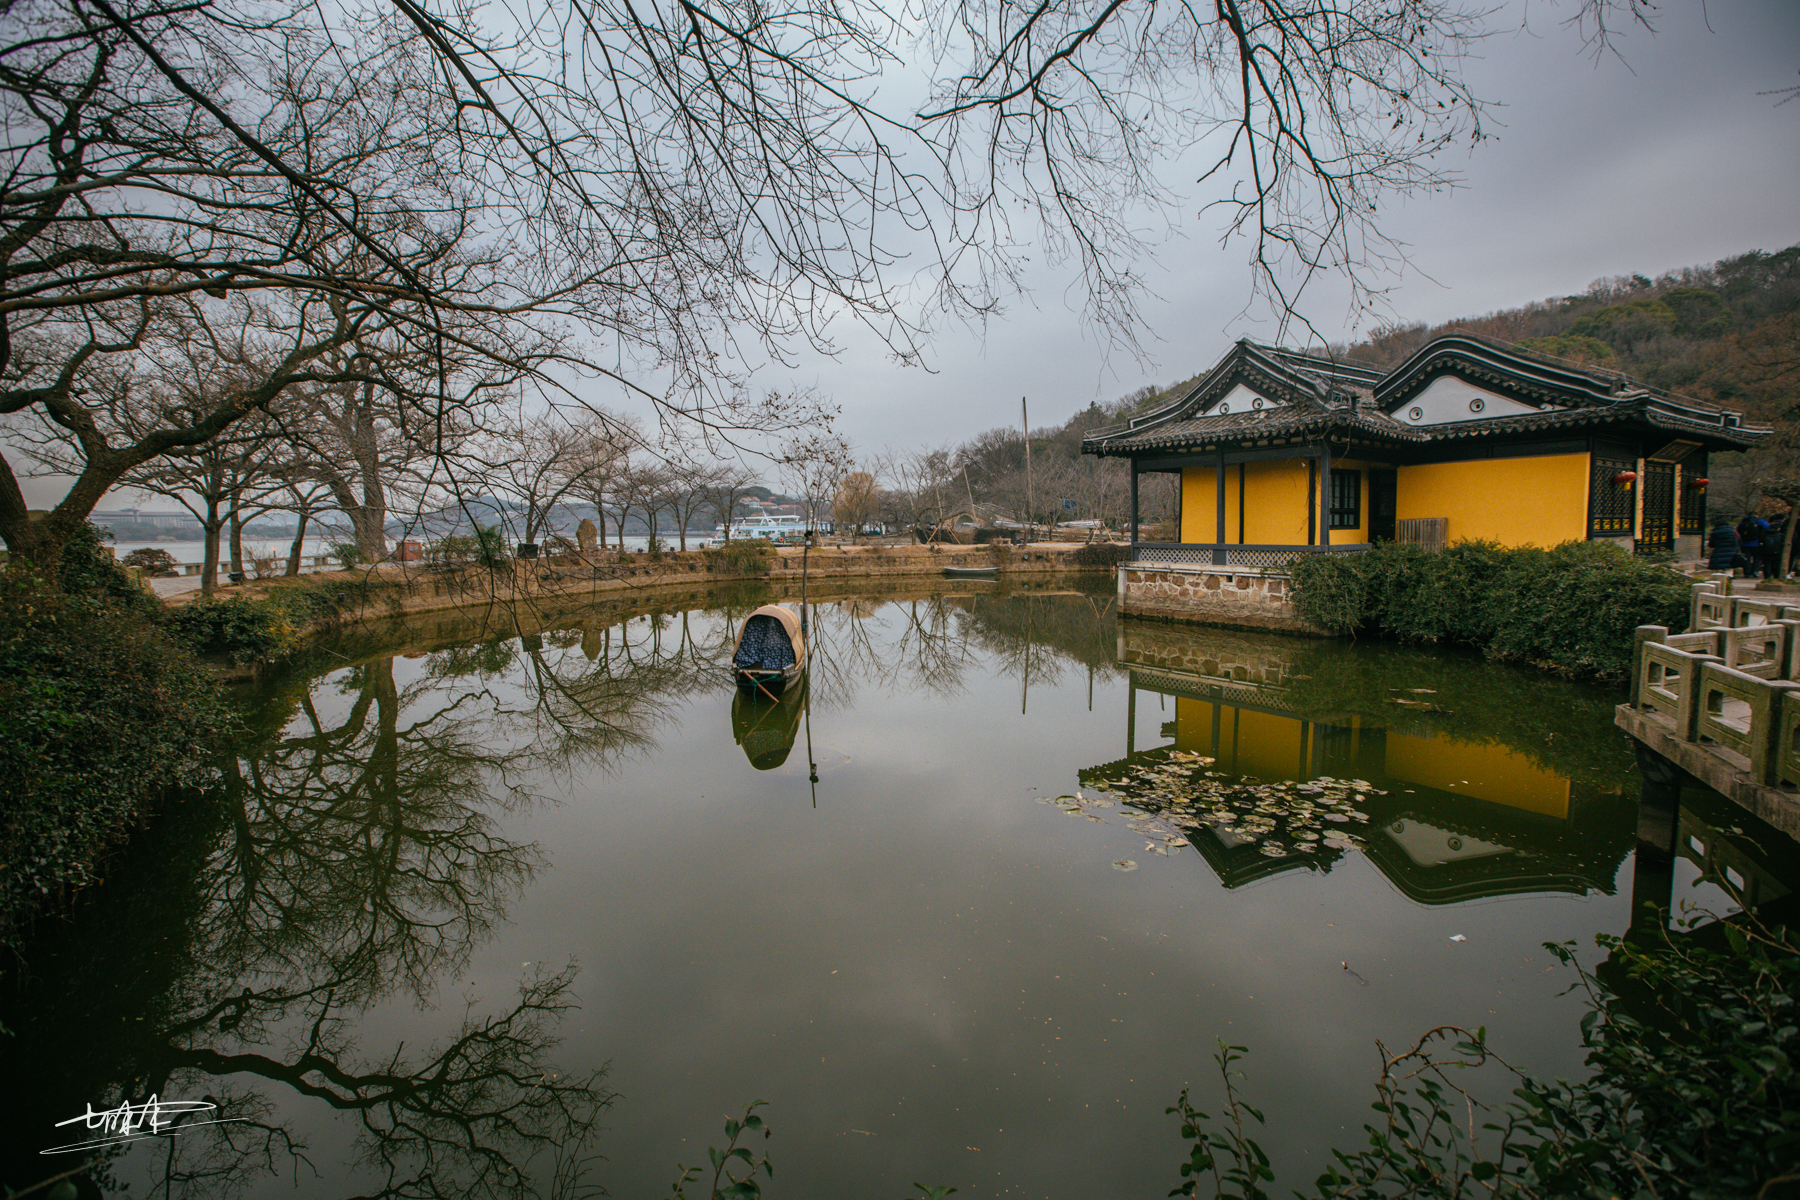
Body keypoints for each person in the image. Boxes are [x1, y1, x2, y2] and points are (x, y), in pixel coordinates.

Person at [1737, 513, 1768, 577]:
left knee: (1746, 558)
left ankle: (1747, 573)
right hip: (1756, 543)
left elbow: (1738, 530)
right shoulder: (1759, 521)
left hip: (1744, 544)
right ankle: (1755, 571)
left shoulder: (1743, 521)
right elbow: (1768, 527)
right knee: (1757, 558)